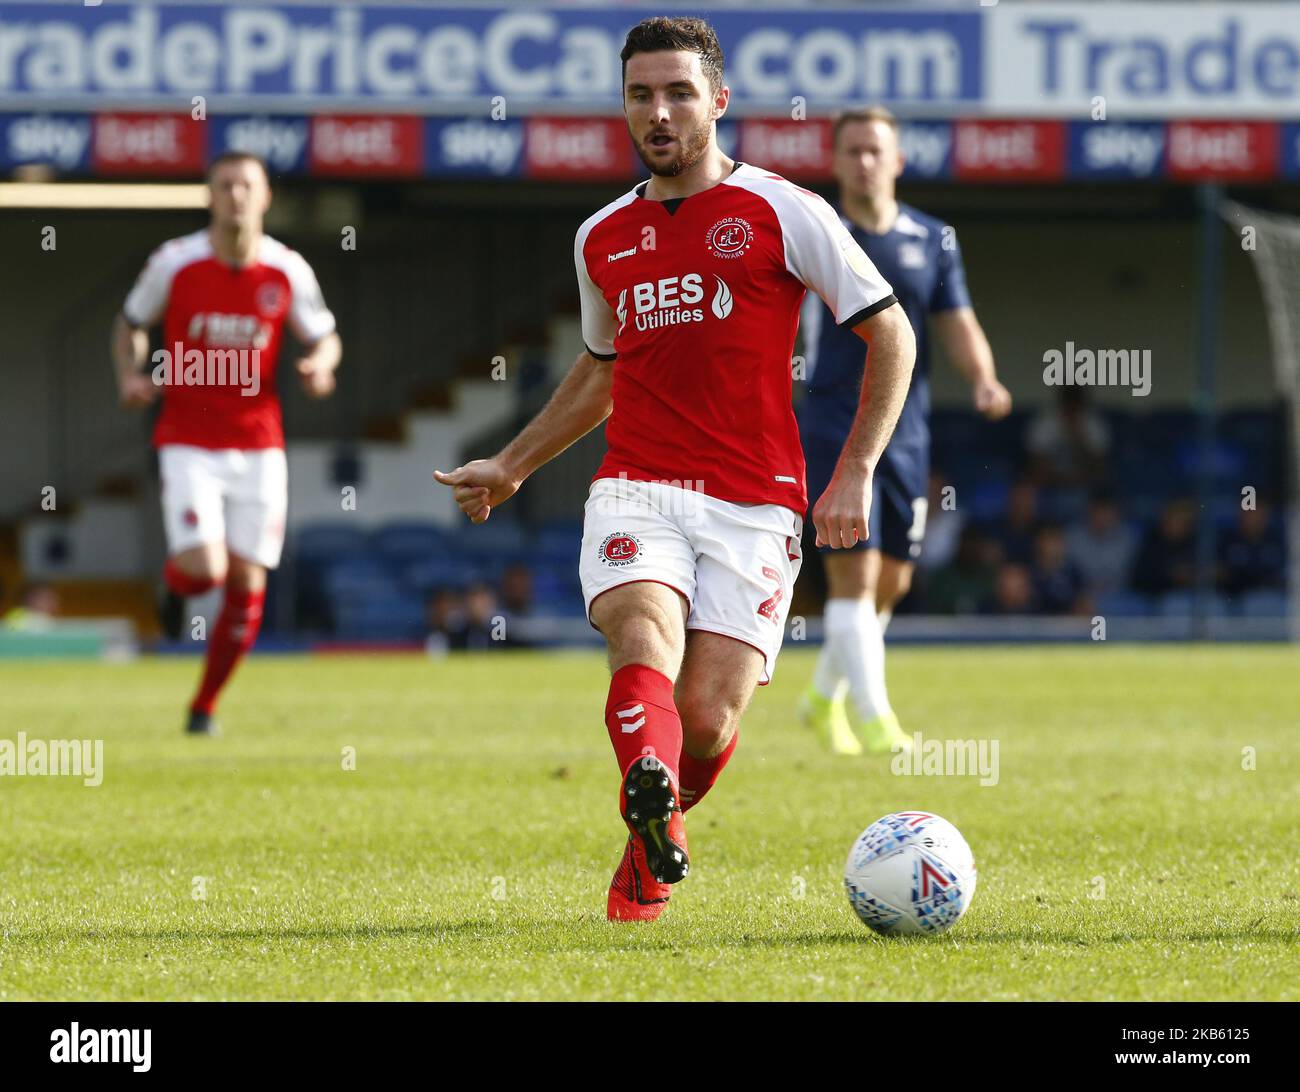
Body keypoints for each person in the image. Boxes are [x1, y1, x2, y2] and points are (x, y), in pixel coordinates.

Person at [435, 17, 915, 922]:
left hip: (756, 502)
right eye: (640, 95)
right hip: (637, 488)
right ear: (623, 107)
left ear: (719, 102)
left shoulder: (784, 210)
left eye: (678, 92)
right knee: (642, 638)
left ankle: (647, 843)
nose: (658, 112)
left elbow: (890, 330)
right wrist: (512, 463)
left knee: (706, 721)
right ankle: (652, 795)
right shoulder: (601, 238)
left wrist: (854, 472)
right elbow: (603, 369)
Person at [797, 106, 1011, 757]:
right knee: (854, 578)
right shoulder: (816, 232)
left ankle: (821, 699)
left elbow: (957, 318)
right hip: (833, 424)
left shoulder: (933, 237)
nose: (864, 161)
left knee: (893, 583)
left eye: (874, 150)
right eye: (852, 150)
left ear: (897, 159)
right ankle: (878, 721)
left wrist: (984, 378)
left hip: (906, 429)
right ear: (834, 162)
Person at [112, 151, 342, 735]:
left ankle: (204, 707)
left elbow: (324, 335)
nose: (235, 195)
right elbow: (130, 322)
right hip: (188, 437)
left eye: (247, 185)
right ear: (210, 196)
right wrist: (130, 374)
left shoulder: (286, 269)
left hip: (260, 446)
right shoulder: (176, 262)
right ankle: (175, 584)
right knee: (205, 569)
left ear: (265, 197)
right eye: (224, 185)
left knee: (247, 583)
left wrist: (319, 363)